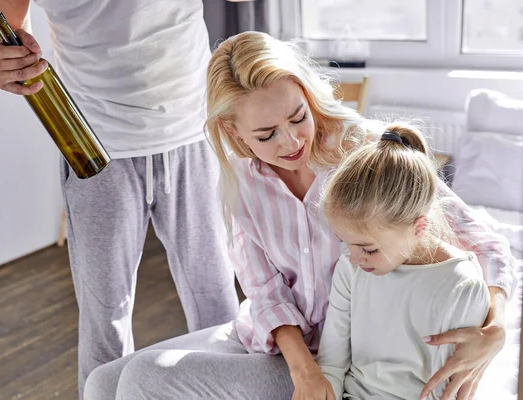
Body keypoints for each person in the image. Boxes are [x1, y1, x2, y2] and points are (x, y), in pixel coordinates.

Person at [84, 31, 516, 400]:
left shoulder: (363, 148)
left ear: (309, 96)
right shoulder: (240, 178)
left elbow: (485, 240)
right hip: (277, 343)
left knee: (144, 379)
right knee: (102, 383)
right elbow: (264, 289)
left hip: (339, 353)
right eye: (266, 134)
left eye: (298, 117)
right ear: (234, 132)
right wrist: (299, 370)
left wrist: (494, 328)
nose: (290, 142)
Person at [0, 1, 240, 397]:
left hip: (193, 129)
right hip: (94, 145)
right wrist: (8, 58)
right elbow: (4, 30)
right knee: (105, 319)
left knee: (218, 303)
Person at [316, 123, 491, 399]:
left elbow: (450, 390)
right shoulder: (351, 268)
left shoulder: (461, 287)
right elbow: (332, 364)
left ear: (419, 227)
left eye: (368, 249)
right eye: (346, 243)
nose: (354, 257)